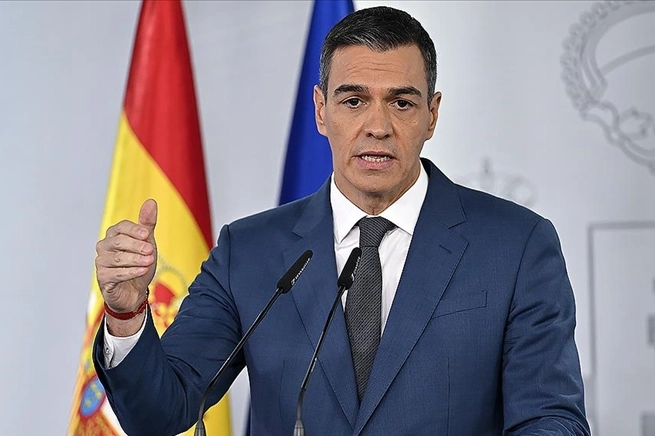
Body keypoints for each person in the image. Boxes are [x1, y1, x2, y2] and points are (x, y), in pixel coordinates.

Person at [93, 6, 590, 436]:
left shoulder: (516, 246)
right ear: (321, 111)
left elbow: (551, 419)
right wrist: (125, 316)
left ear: (432, 115)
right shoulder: (249, 251)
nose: (377, 126)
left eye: (402, 102)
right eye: (354, 101)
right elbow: (159, 413)